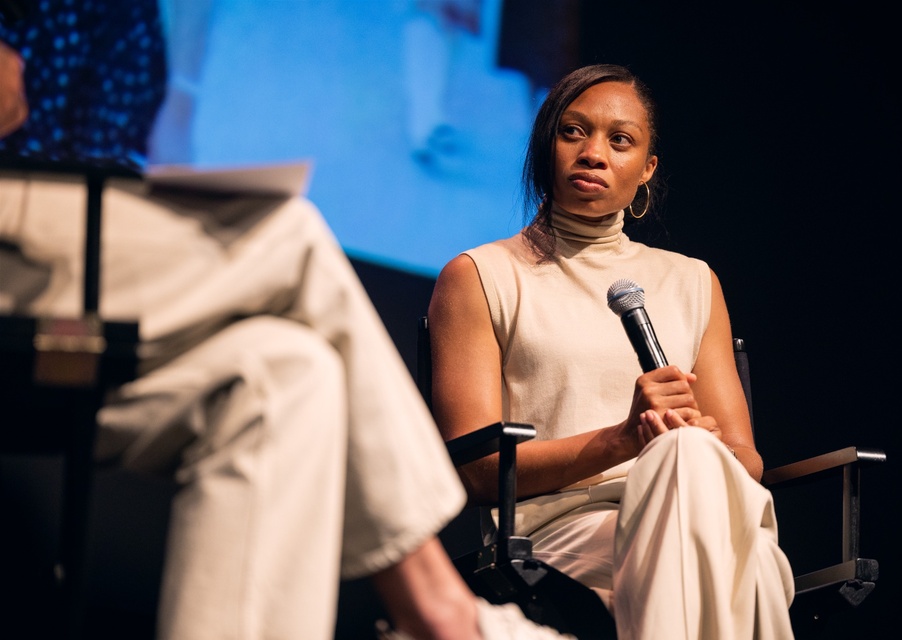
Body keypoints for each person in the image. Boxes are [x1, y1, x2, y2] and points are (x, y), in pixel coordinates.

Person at [0, 2, 570, 638]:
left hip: (77, 259)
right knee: (286, 235)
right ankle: (436, 607)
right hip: (22, 238)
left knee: (290, 372)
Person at [428, 63, 797, 638]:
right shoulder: (482, 275)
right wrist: (627, 440)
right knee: (747, 565)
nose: (594, 152)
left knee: (695, 462)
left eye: (619, 140)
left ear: (646, 169)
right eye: (572, 132)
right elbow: (477, 471)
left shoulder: (694, 280)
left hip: (698, 507)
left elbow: (746, 461)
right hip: (562, 529)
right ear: (543, 147)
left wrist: (700, 443)